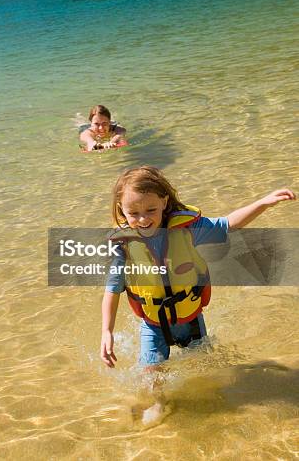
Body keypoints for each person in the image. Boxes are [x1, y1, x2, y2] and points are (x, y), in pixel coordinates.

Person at [100, 166, 295, 421]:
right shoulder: (123, 245)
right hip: (153, 323)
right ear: (121, 210)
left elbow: (228, 224)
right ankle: (159, 403)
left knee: (203, 364)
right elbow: (113, 288)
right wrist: (107, 330)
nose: (143, 219)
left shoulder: (188, 228)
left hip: (190, 317)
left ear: (164, 201)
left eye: (151, 210)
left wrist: (263, 203)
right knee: (150, 372)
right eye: (133, 213)